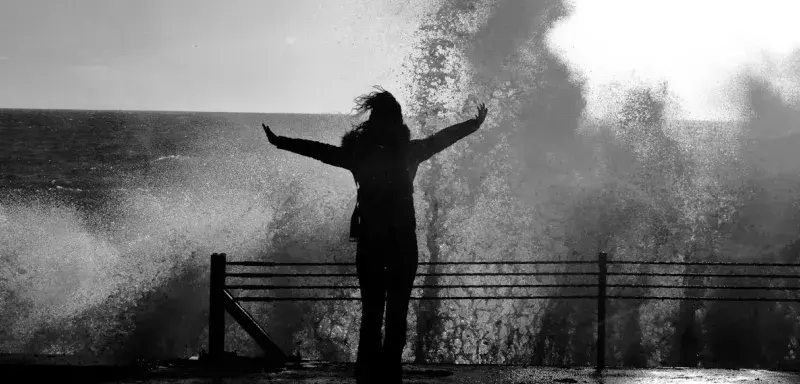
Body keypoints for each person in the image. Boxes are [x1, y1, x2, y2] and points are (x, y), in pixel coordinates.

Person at [262, 87, 487, 383]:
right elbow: (322, 151)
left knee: (385, 313)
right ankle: (378, 375)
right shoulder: (394, 152)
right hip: (392, 243)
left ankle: (376, 374)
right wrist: (281, 142)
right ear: (393, 121)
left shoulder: (374, 154)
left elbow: (443, 138)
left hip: (385, 244)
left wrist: (472, 125)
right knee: (383, 313)